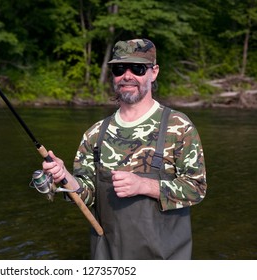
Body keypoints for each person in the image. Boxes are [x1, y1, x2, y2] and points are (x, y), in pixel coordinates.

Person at [42, 38, 207, 260]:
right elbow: (86, 195)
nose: (127, 75)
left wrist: (144, 185)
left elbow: (196, 189)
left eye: (137, 68)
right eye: (119, 68)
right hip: (108, 258)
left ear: (154, 72)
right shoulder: (94, 134)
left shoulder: (179, 126)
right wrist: (64, 178)